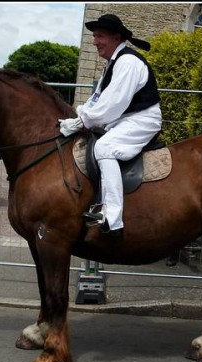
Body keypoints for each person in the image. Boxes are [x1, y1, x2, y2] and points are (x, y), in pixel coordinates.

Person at [57, 14, 162, 236]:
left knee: (104, 148)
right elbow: (97, 99)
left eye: (100, 36)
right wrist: (79, 117)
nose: (95, 41)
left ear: (116, 37)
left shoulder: (128, 62)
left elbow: (112, 104)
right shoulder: (112, 64)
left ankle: (112, 219)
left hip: (142, 120)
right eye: (94, 36)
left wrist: (82, 120)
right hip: (124, 119)